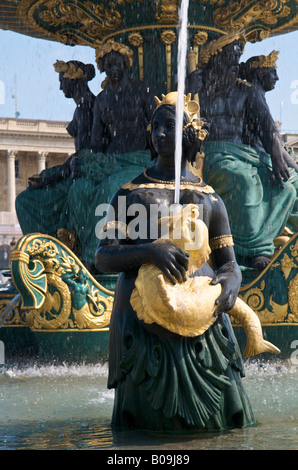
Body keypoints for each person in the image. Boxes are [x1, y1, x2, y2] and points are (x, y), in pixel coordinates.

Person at [95, 92, 256, 432]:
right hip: (143, 321)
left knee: (219, 422)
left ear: (190, 133)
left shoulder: (211, 198)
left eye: (170, 126)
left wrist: (232, 281)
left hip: (204, 317)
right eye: (155, 126)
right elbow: (103, 256)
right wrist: (149, 252)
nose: (160, 133)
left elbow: (229, 262)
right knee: (147, 421)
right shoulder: (128, 193)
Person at [186, 33, 297, 270]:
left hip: (241, 154)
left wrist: (278, 159)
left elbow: (269, 130)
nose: (235, 64)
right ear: (215, 59)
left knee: (287, 185)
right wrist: (186, 89)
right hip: (212, 154)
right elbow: (177, 122)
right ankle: (251, 251)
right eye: (229, 58)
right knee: (243, 182)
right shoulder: (199, 91)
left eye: (237, 58)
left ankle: (268, 240)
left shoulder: (247, 92)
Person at [15, 61, 96, 237]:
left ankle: (45, 245)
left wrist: (51, 179)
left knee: (25, 200)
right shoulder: (85, 104)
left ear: (73, 80)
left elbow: (82, 156)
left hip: (86, 172)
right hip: (84, 168)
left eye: (62, 81)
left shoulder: (85, 107)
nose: (60, 88)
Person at [240, 51, 298, 234]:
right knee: (292, 187)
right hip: (255, 160)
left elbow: (278, 145)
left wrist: (294, 167)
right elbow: (271, 137)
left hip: (261, 158)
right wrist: (280, 162)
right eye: (273, 72)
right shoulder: (252, 93)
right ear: (260, 74)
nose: (278, 78)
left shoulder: (256, 94)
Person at [90, 40, 157, 154]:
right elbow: (96, 138)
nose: (114, 69)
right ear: (103, 68)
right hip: (114, 153)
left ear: (125, 64)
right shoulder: (101, 99)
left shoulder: (143, 90)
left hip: (142, 152)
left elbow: (156, 124)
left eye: (118, 64)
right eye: (109, 66)